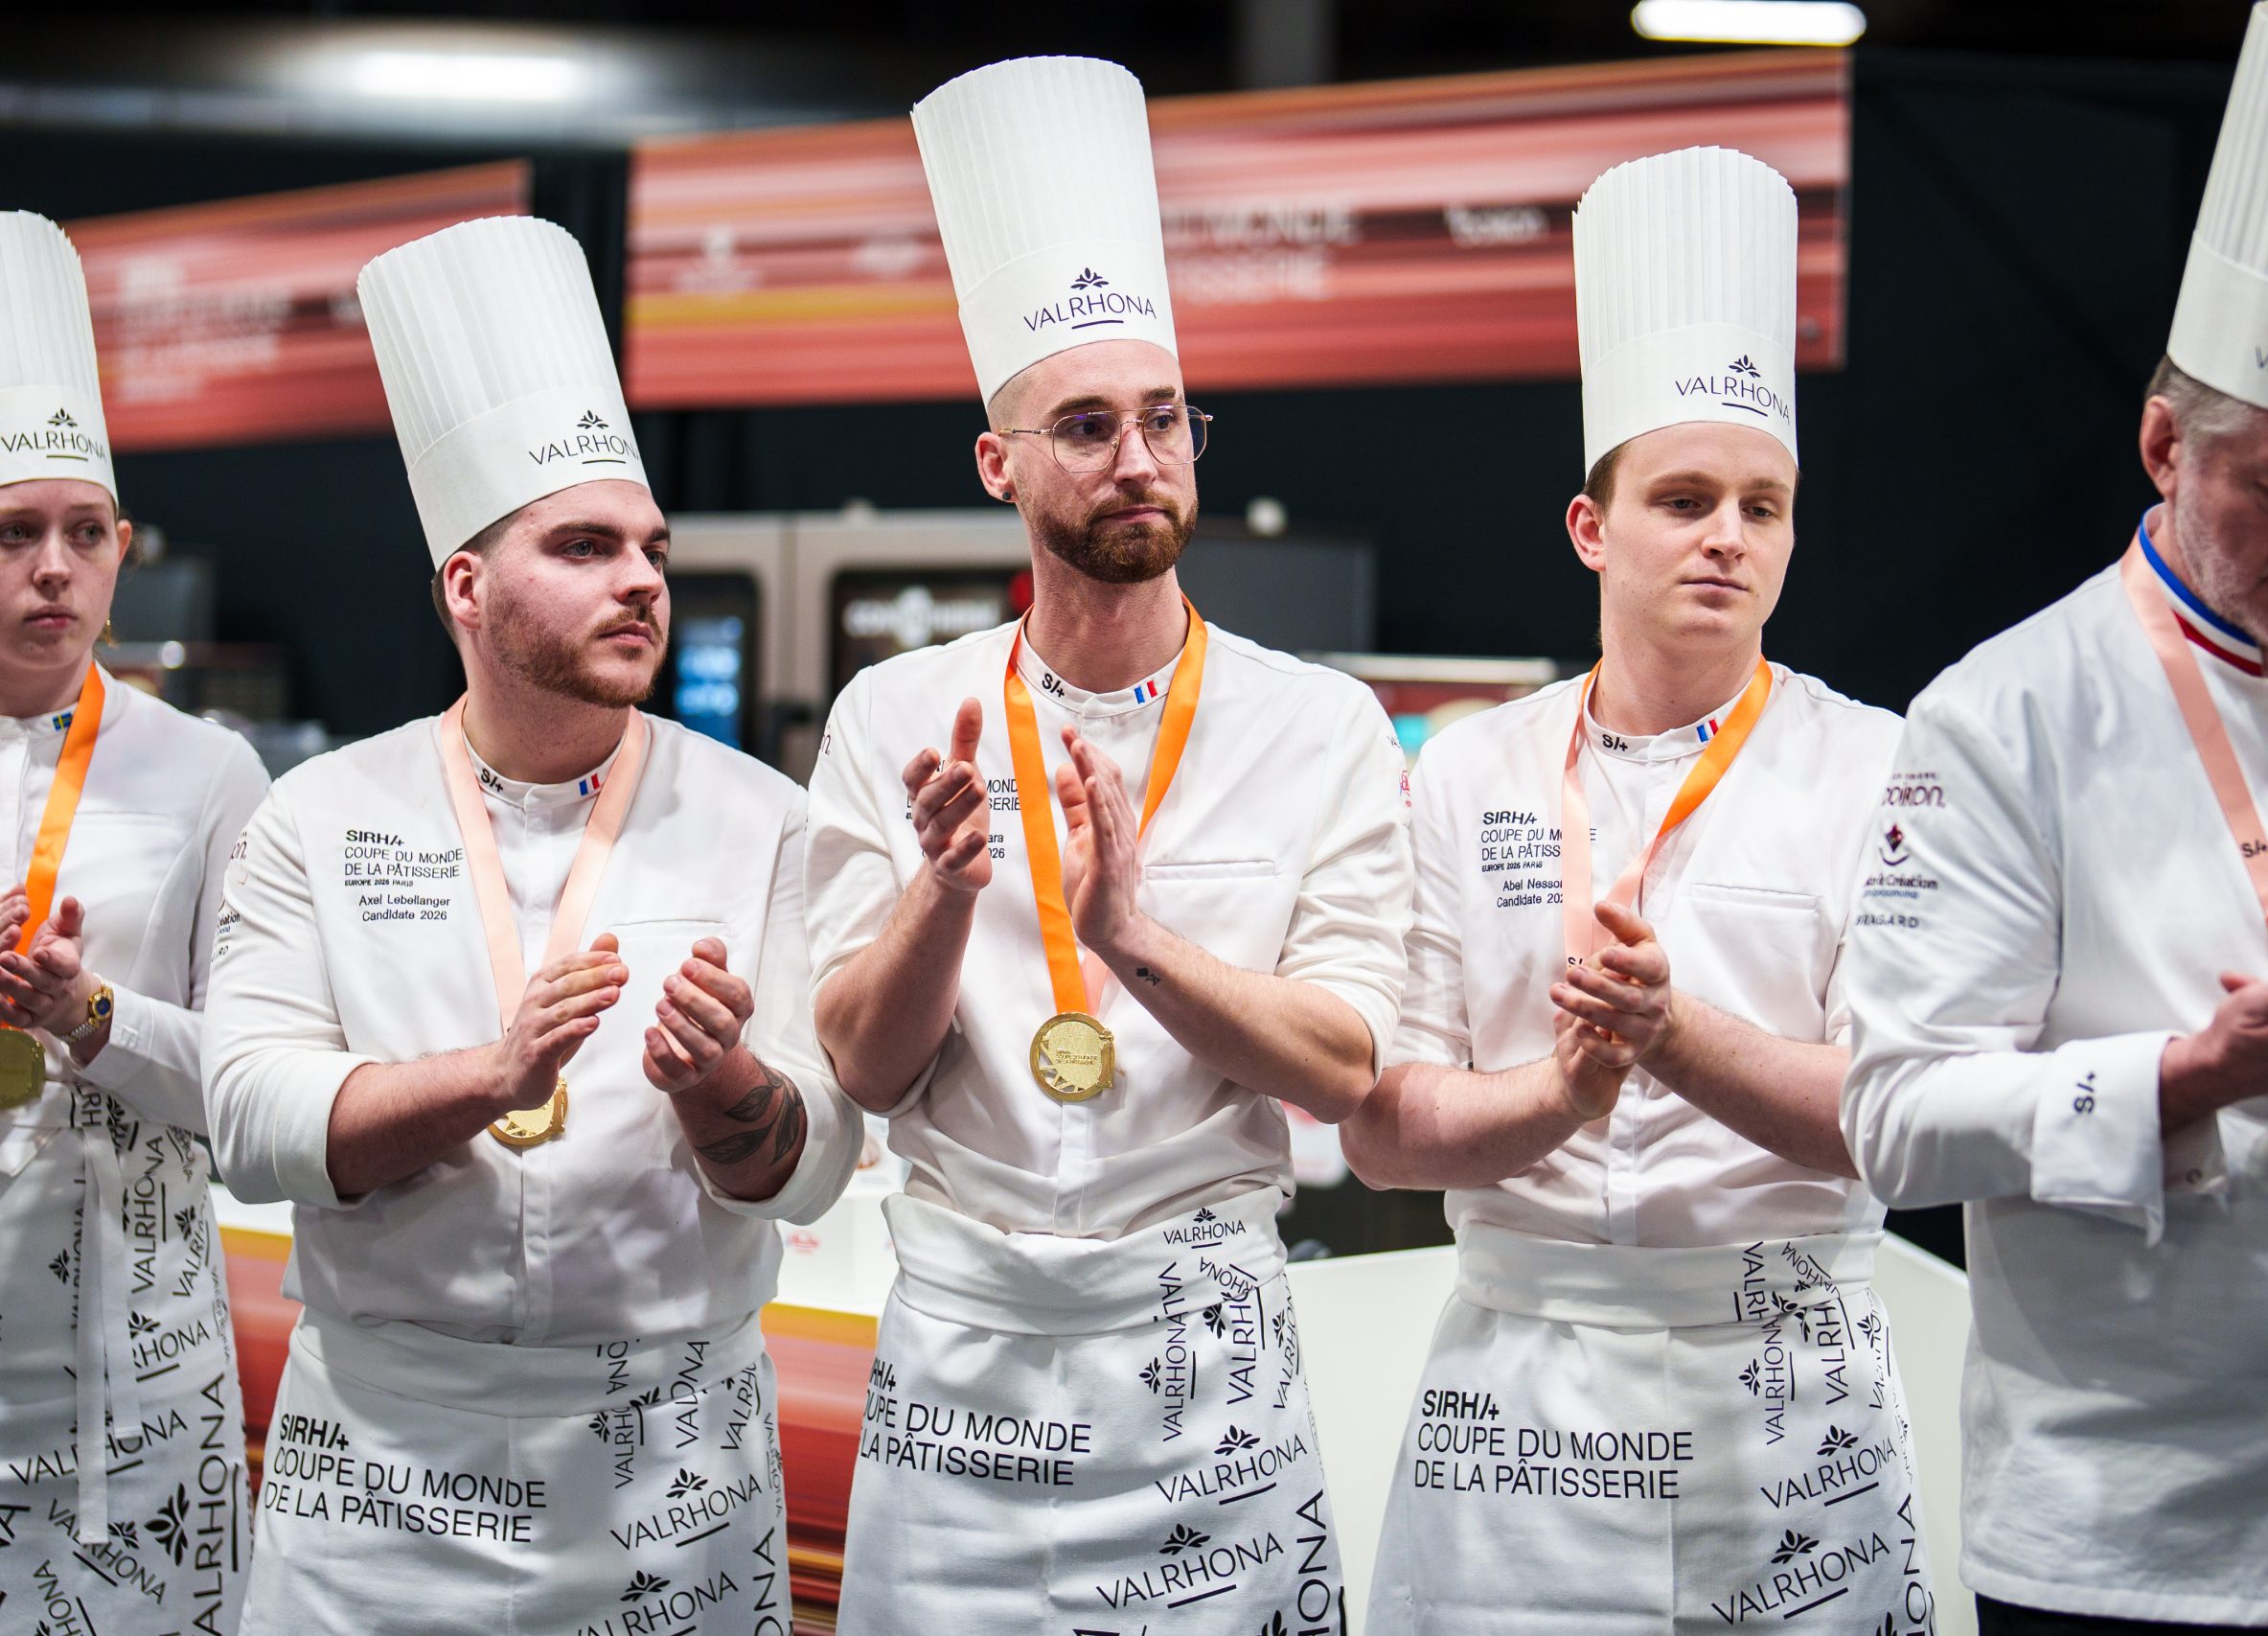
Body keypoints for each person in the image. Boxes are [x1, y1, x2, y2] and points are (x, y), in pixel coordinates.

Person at [1839, 4, 2268, 1629]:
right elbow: (1894, 1116)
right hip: (2136, 1539)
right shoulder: (2001, 716)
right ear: (2168, 442)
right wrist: (2201, 1074)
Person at [813, 55, 1410, 1634]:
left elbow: (1344, 1065)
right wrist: (944, 897)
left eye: (1165, 420)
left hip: (1201, 1355)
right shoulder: (894, 719)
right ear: (1000, 465)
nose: (1138, 460)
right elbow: (865, 1071)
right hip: (963, 1361)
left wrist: (1134, 937)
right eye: (1087, 426)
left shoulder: (1318, 726)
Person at [202, 216, 859, 1635]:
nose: (642, 580)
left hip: (665, 1483)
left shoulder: (763, 819)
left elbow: (816, 1167)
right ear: (466, 587)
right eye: (585, 546)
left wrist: (733, 1095)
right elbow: (249, 1121)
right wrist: (491, 1080)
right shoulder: (316, 812)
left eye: (652, 550)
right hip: (384, 1481)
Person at [1342, 148, 1930, 1634]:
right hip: (1523, 1396)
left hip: (1785, 1393)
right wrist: (1562, 1096)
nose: (1729, 536)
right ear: (1593, 530)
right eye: (1685, 498)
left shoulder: (1882, 768)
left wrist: (1679, 1042)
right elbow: (1381, 1134)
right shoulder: (1473, 774)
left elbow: (1903, 1121)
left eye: (1764, 504)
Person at [0, 209, 266, 1632]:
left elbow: (258, 1091)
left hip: (135, 1380)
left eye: (83, 533)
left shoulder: (209, 771)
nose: (54, 567)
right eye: (13, 533)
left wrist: (86, 1017)